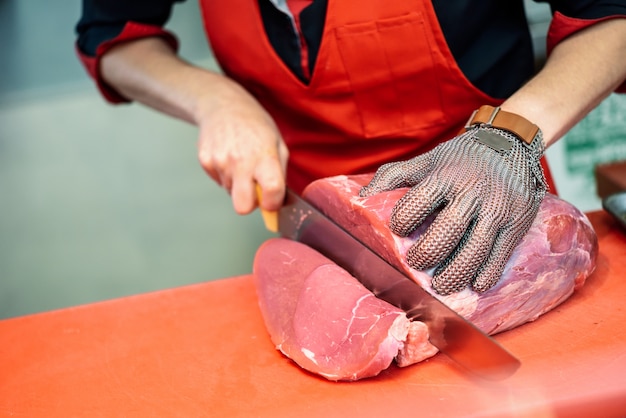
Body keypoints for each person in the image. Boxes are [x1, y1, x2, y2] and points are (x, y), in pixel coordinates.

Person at [75, 1, 626, 294]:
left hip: (487, 214)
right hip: (321, 230)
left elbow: (611, 18)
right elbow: (113, 36)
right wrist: (215, 100)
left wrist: (507, 137)